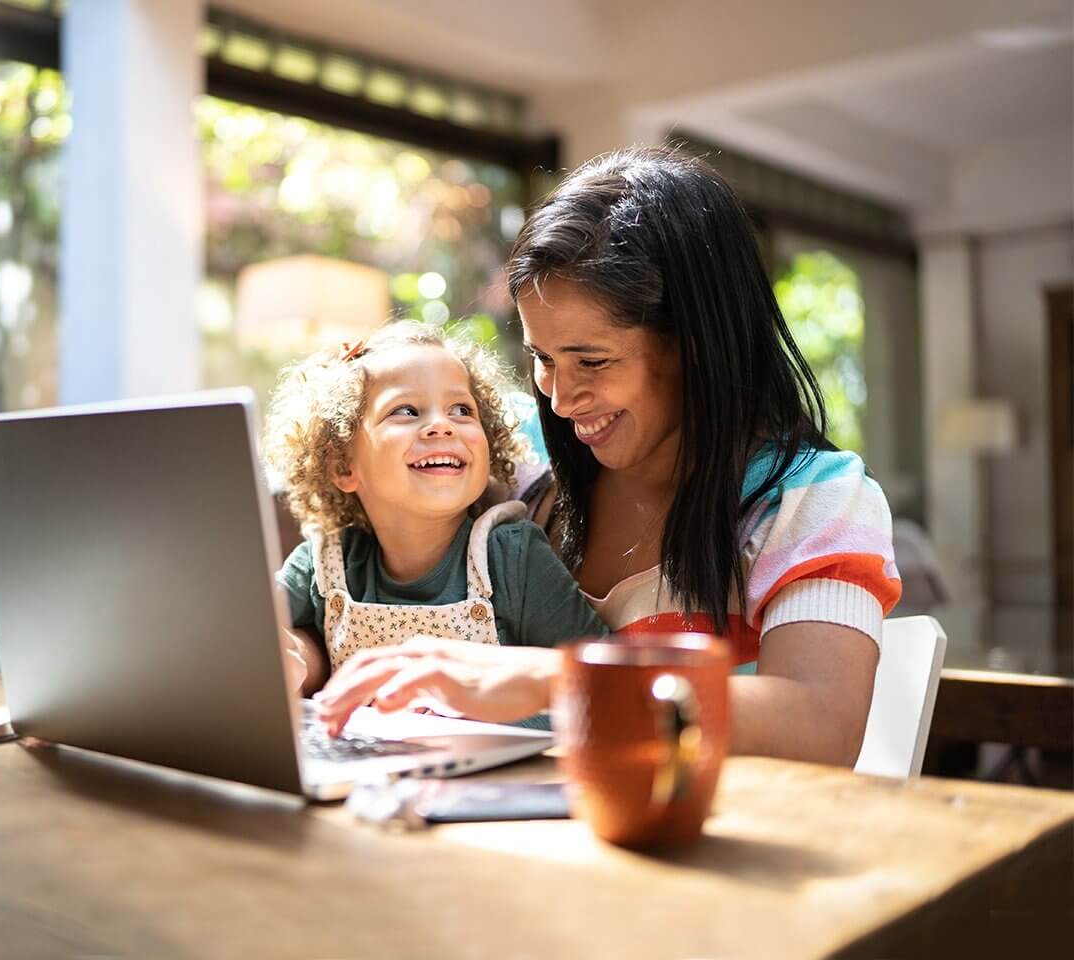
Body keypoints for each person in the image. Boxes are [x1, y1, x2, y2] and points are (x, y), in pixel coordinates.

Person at [314, 145, 901, 767]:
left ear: (696, 345)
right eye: (543, 359)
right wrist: (298, 642)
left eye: (592, 361)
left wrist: (556, 681)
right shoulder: (519, 473)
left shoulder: (814, 501)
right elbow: (349, 541)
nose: (562, 400)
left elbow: (818, 727)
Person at [262, 320, 608, 719]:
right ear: (343, 465)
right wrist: (291, 660)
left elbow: (605, 686)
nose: (442, 425)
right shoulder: (323, 562)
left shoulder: (514, 556)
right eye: (406, 410)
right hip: (366, 776)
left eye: (462, 410)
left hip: (496, 778)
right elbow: (247, 630)